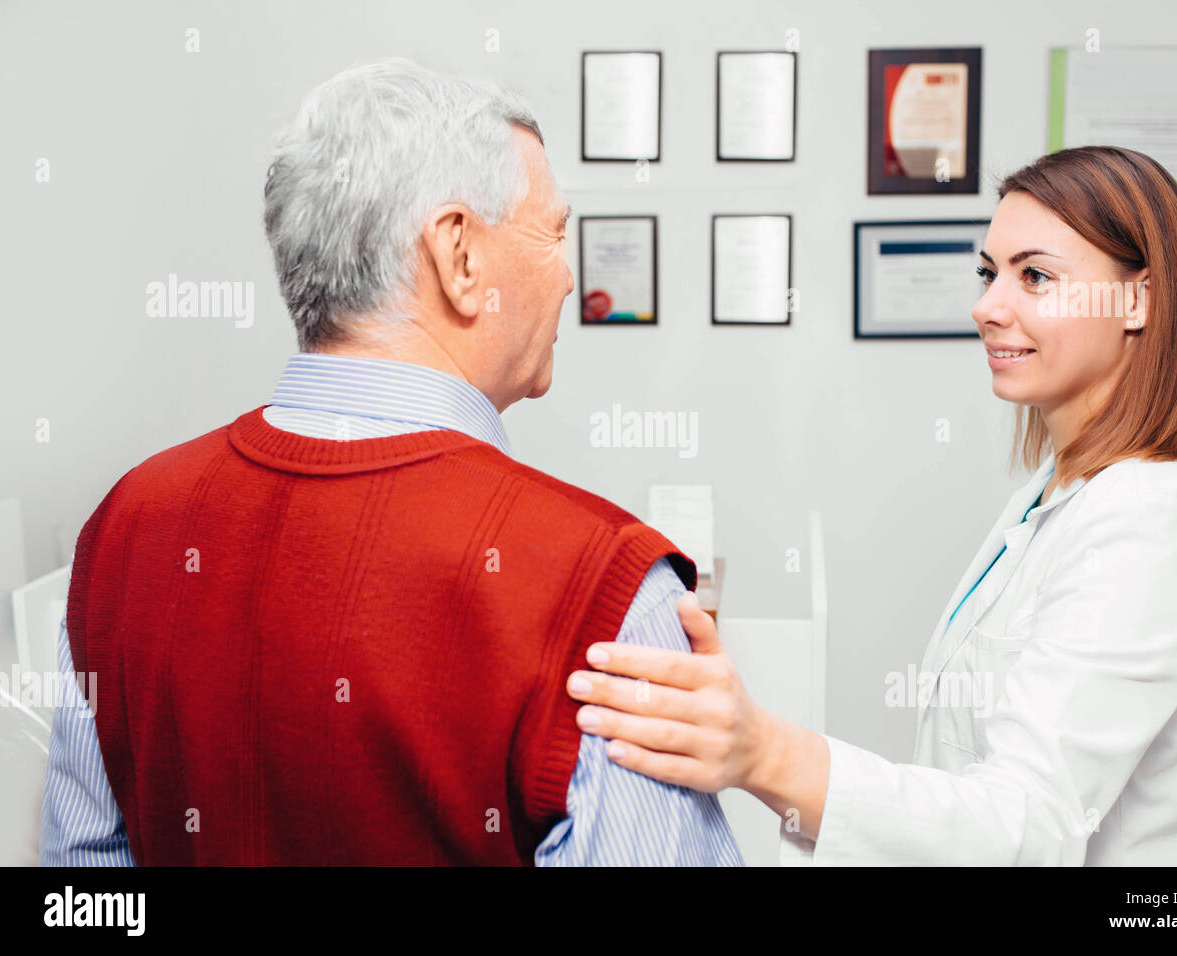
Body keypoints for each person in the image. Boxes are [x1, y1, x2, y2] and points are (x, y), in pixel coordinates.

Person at [40, 58, 742, 866]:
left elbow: (84, 876)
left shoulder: (127, 526)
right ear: (460, 257)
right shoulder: (610, 599)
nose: (568, 275)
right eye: (552, 233)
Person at [567, 145, 1177, 866]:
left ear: (1137, 301)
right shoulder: (1061, 492)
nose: (988, 307)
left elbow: (1027, 826)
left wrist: (766, 754)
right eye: (990, 274)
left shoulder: (1159, 521)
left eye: (1036, 276)